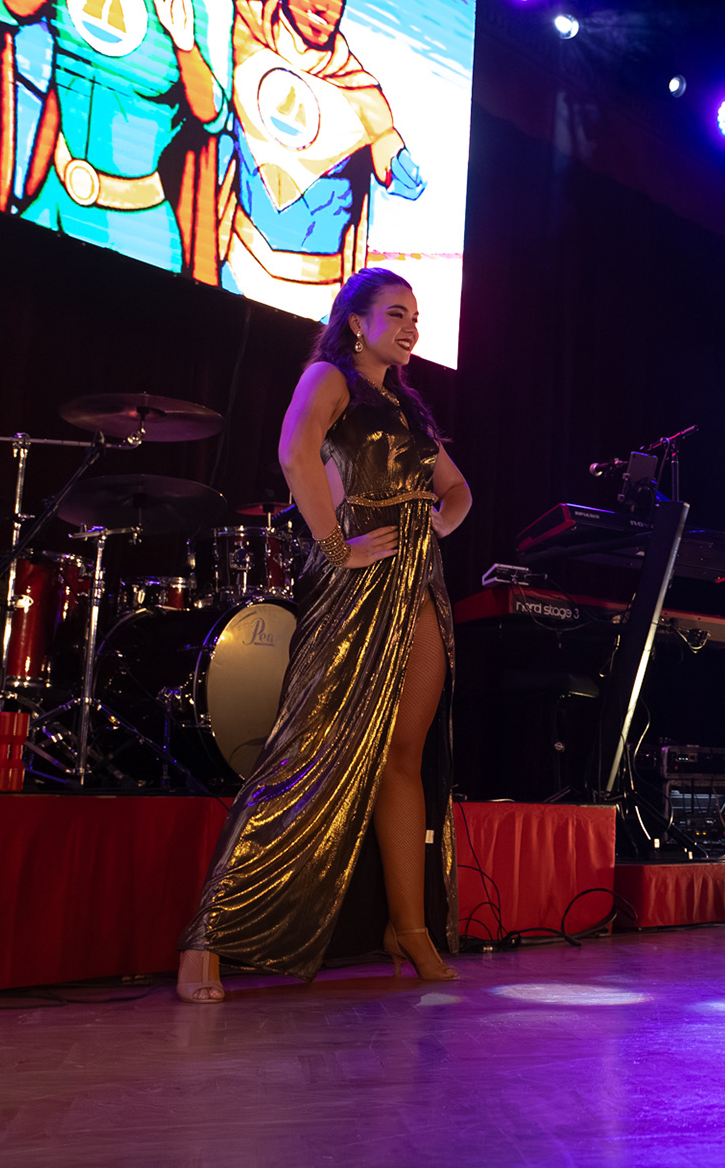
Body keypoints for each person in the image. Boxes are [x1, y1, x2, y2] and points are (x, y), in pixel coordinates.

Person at [175, 267, 470, 1002]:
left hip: (419, 584)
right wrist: (335, 544)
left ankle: (410, 927)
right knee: (305, 750)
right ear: (356, 322)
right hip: (353, 582)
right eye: (396, 313)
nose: (411, 327)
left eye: (416, 315)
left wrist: (437, 523)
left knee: (403, 757)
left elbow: (457, 487)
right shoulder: (329, 378)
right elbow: (294, 451)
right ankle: (209, 937)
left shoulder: (407, 408)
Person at [0, 0, 245, 279]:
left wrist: (185, 45)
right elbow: (2, 3)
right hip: (50, 206)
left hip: (139, 238)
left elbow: (214, 116)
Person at [221, 0, 426, 317]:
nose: (321, 2)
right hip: (230, 273)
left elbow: (388, 151)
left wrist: (398, 167)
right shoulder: (239, 28)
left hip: (315, 306)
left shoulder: (361, 92)